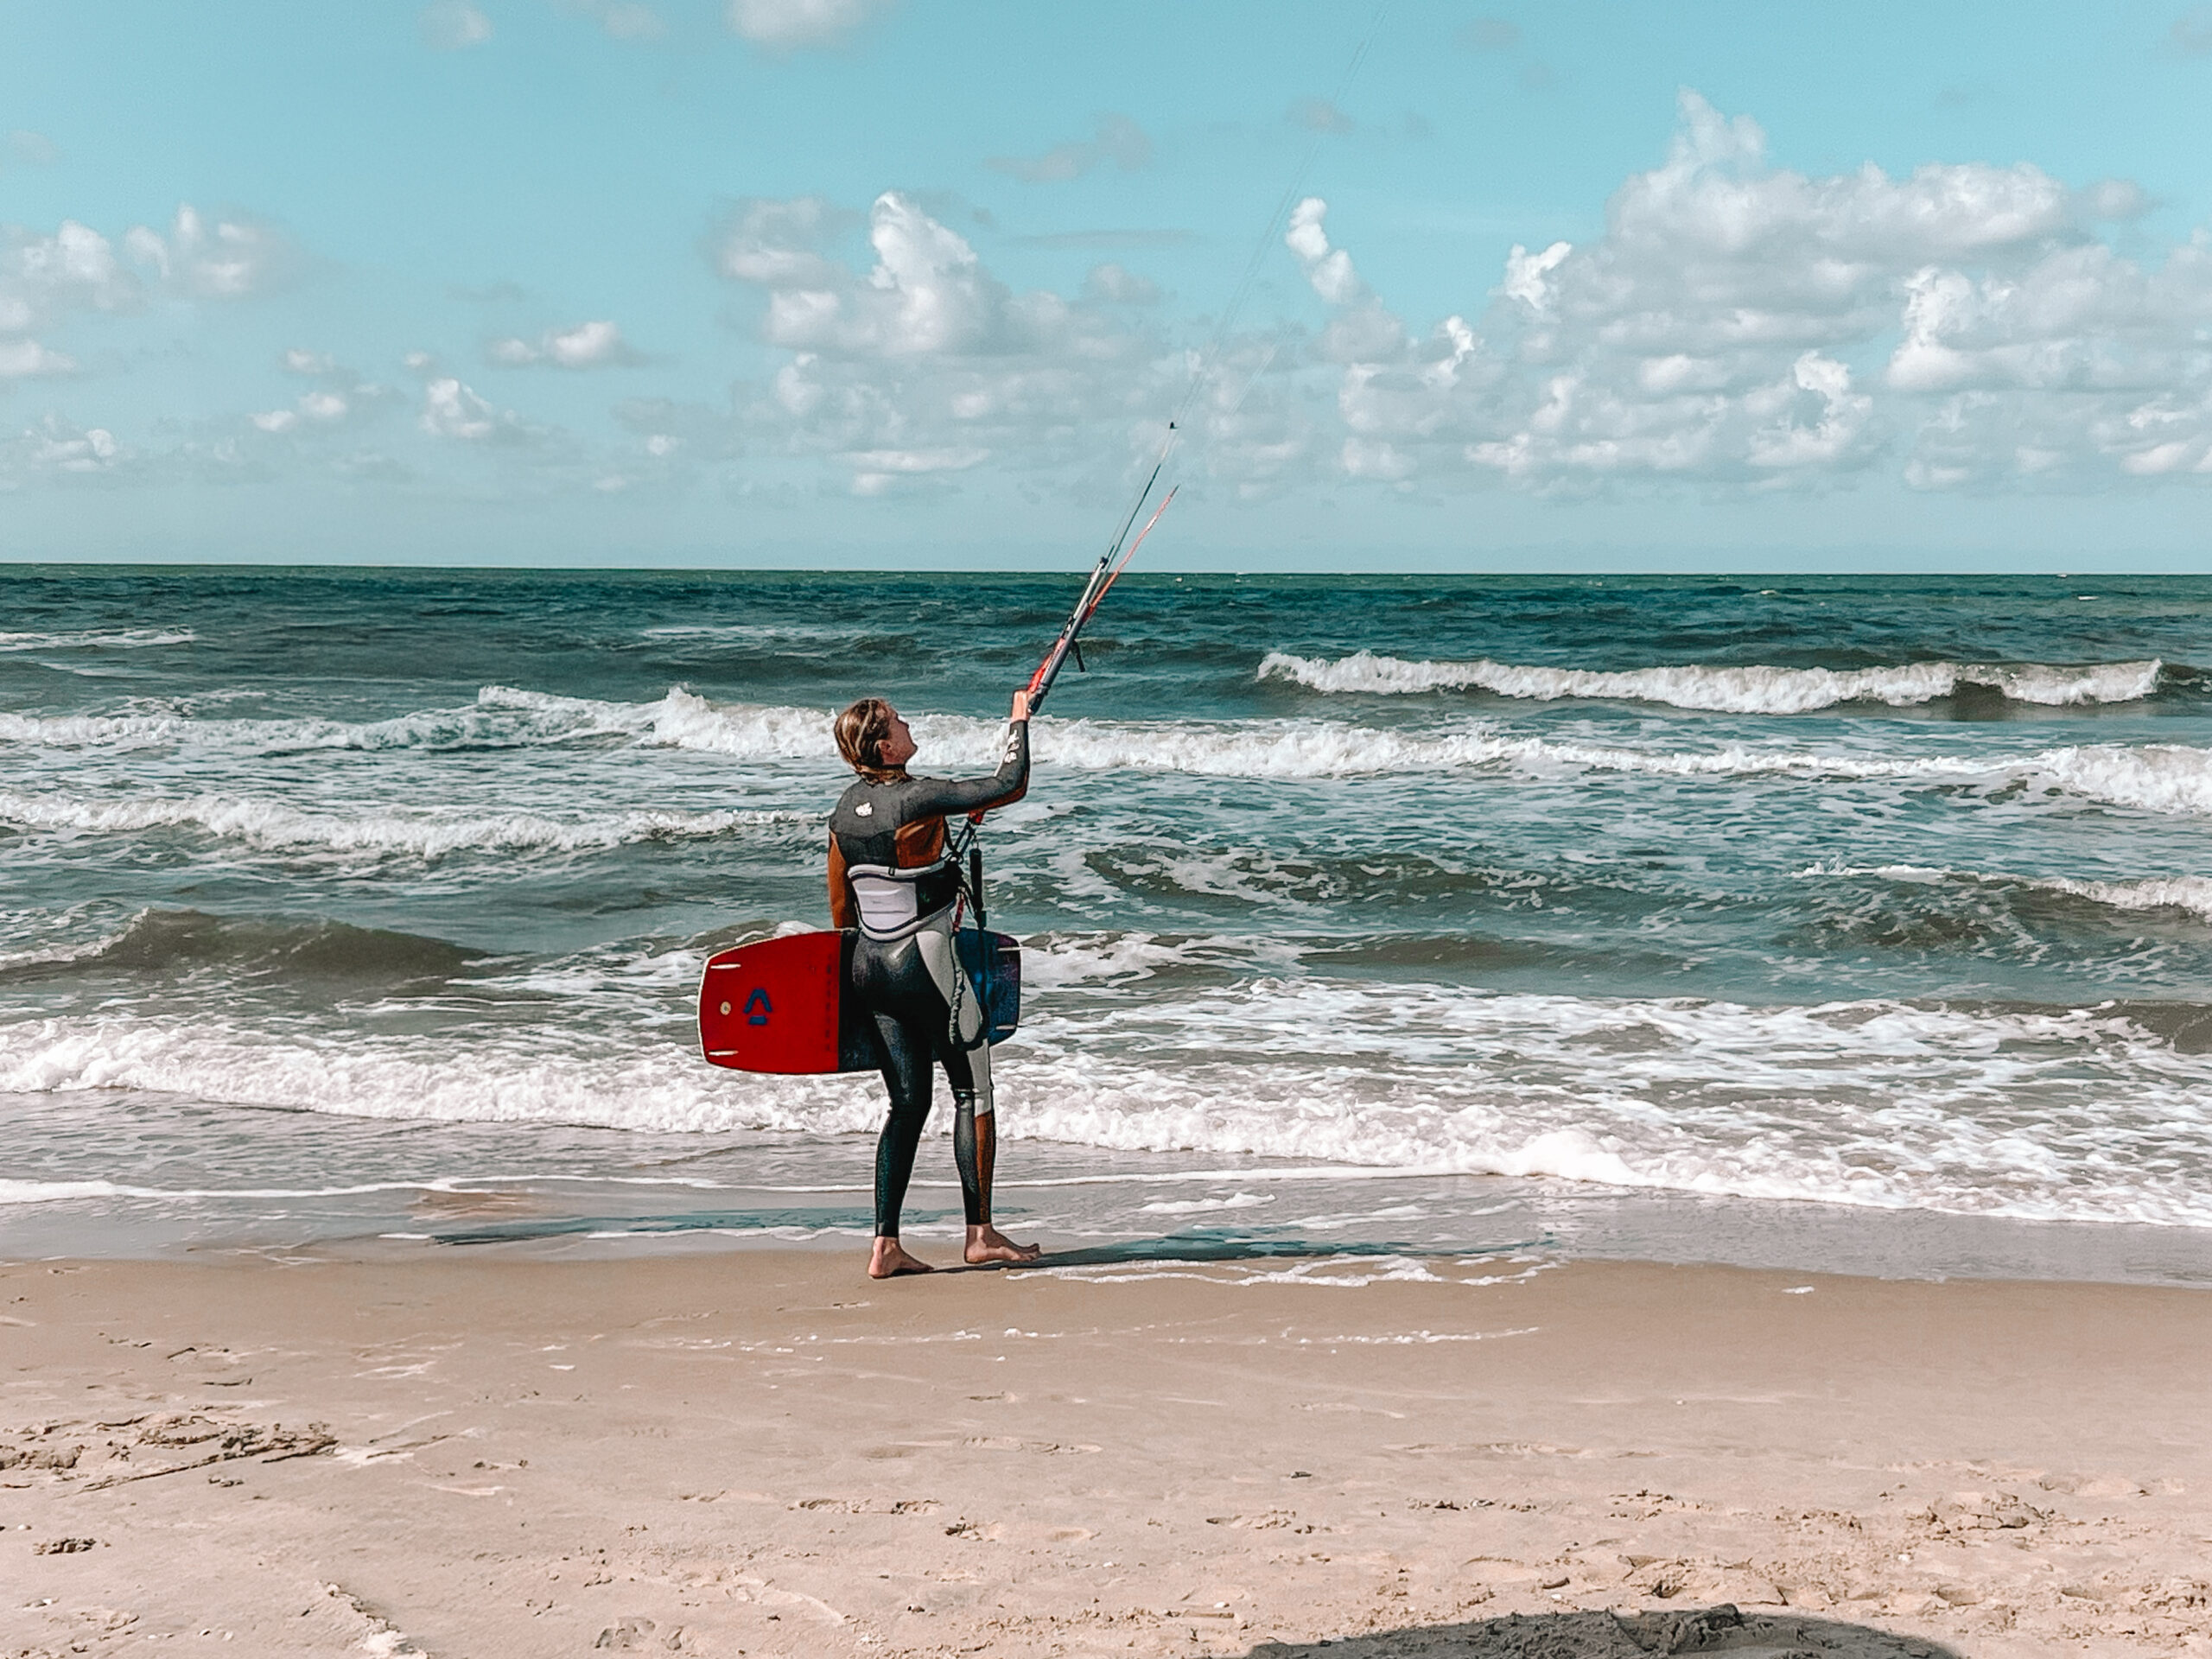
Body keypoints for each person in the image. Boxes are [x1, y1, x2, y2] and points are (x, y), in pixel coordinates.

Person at [830, 690, 1044, 1278]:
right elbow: (1010, 783)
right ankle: (980, 1234)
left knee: (906, 1103)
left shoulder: (845, 809)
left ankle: (885, 1245)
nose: (908, 722)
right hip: (924, 960)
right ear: (883, 745)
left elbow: (841, 905)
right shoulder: (918, 796)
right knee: (974, 1091)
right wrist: (1020, 719)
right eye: (899, 721)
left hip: (869, 967)